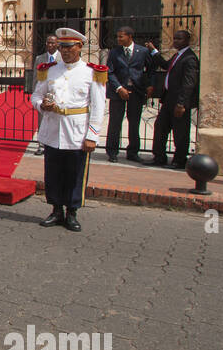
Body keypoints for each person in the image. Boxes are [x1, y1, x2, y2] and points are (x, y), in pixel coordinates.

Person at [31, 28, 106, 232]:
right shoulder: (50, 69)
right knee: (53, 172)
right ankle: (56, 209)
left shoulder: (92, 72)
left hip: (77, 130)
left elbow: (98, 107)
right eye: (62, 47)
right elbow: (36, 96)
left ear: (80, 47)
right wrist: (41, 106)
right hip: (53, 128)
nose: (64, 51)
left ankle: (72, 212)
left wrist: (92, 135)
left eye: (69, 47)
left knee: (75, 173)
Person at [149, 29, 199, 169]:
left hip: (179, 102)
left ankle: (180, 160)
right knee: (160, 127)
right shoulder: (178, 55)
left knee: (180, 132)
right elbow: (165, 66)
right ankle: (159, 157)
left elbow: (189, 83)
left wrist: (181, 103)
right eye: (175, 38)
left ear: (187, 41)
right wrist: (154, 51)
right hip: (168, 100)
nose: (176, 41)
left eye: (179, 39)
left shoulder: (190, 58)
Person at [104, 26, 152, 163]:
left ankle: (133, 152)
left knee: (134, 123)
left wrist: (149, 84)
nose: (118, 39)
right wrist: (119, 88)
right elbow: (110, 71)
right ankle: (112, 151)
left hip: (136, 92)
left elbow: (150, 69)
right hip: (118, 92)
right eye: (117, 36)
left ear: (130, 37)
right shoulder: (114, 52)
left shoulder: (142, 51)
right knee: (115, 123)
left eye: (121, 36)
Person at [32, 35, 60, 156]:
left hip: (58, 93)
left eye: (52, 43)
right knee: (42, 119)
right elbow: (35, 77)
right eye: (48, 43)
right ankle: (41, 144)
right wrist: (35, 93)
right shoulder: (40, 58)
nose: (50, 45)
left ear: (57, 44)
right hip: (43, 94)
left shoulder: (62, 58)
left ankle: (56, 143)